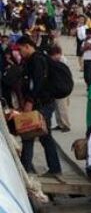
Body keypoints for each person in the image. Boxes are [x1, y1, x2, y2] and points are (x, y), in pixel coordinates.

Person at [17, 36, 62, 176]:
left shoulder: (37, 60)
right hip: (41, 102)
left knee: (36, 135)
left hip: (42, 104)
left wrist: (30, 101)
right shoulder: (33, 59)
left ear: (27, 46)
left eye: (20, 49)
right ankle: (28, 167)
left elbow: (37, 83)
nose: (19, 53)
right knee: (35, 135)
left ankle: (30, 168)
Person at [48, 45, 70, 132]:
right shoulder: (57, 60)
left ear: (57, 54)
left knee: (62, 107)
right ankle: (60, 123)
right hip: (57, 86)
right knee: (57, 107)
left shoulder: (63, 60)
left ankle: (65, 124)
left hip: (63, 86)